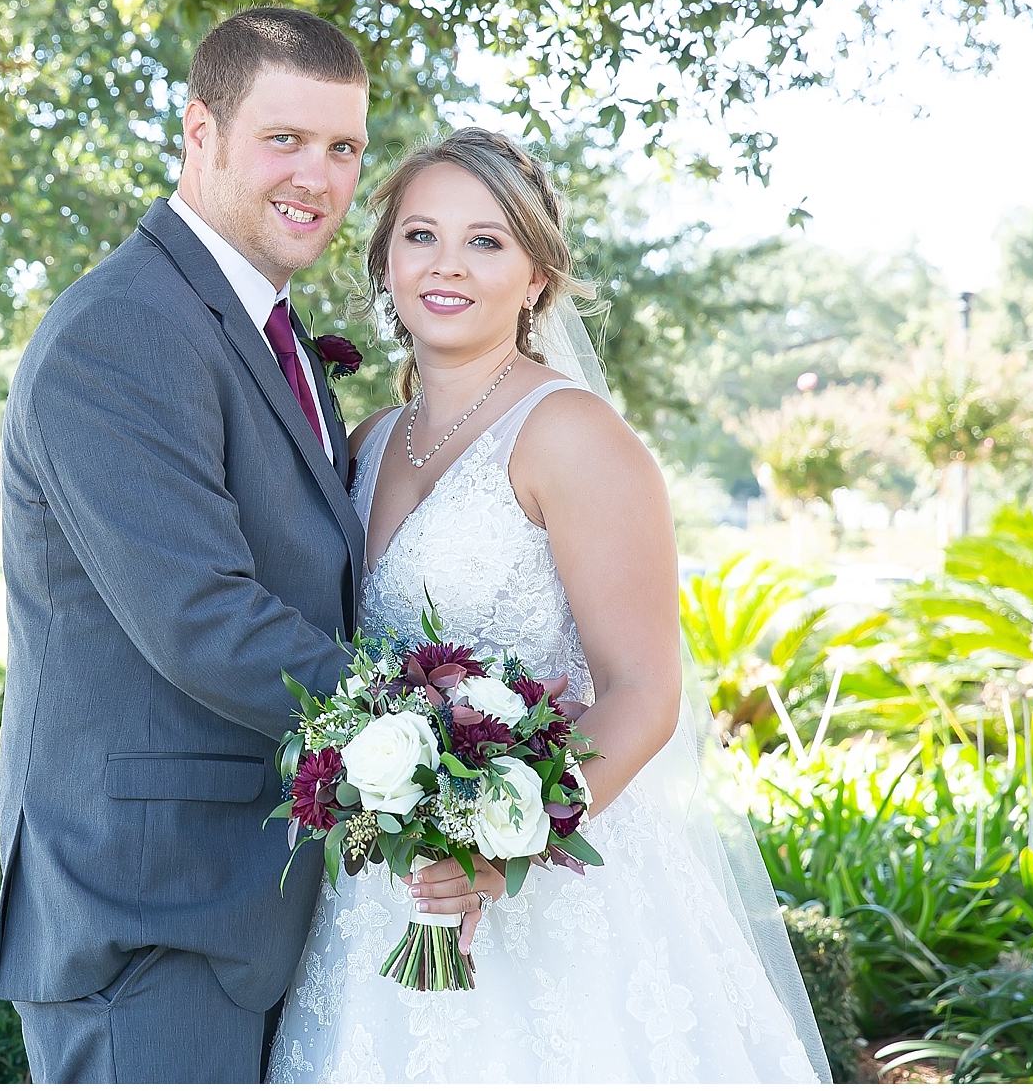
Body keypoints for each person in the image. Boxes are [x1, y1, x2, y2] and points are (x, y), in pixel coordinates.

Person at [0, 7, 488, 1083]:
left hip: (255, 899)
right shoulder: (121, 328)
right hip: (149, 910)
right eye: (283, 139)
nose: (316, 175)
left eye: (343, 147)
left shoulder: (260, 326)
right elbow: (202, 617)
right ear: (198, 131)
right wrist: (443, 736)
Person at [266, 128, 828, 1083]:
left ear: (535, 278)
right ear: (385, 262)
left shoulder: (571, 434)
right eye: (420, 236)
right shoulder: (365, 439)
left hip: (551, 896)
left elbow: (643, 693)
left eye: (487, 242)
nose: (448, 266)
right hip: (385, 894)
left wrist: (497, 848)